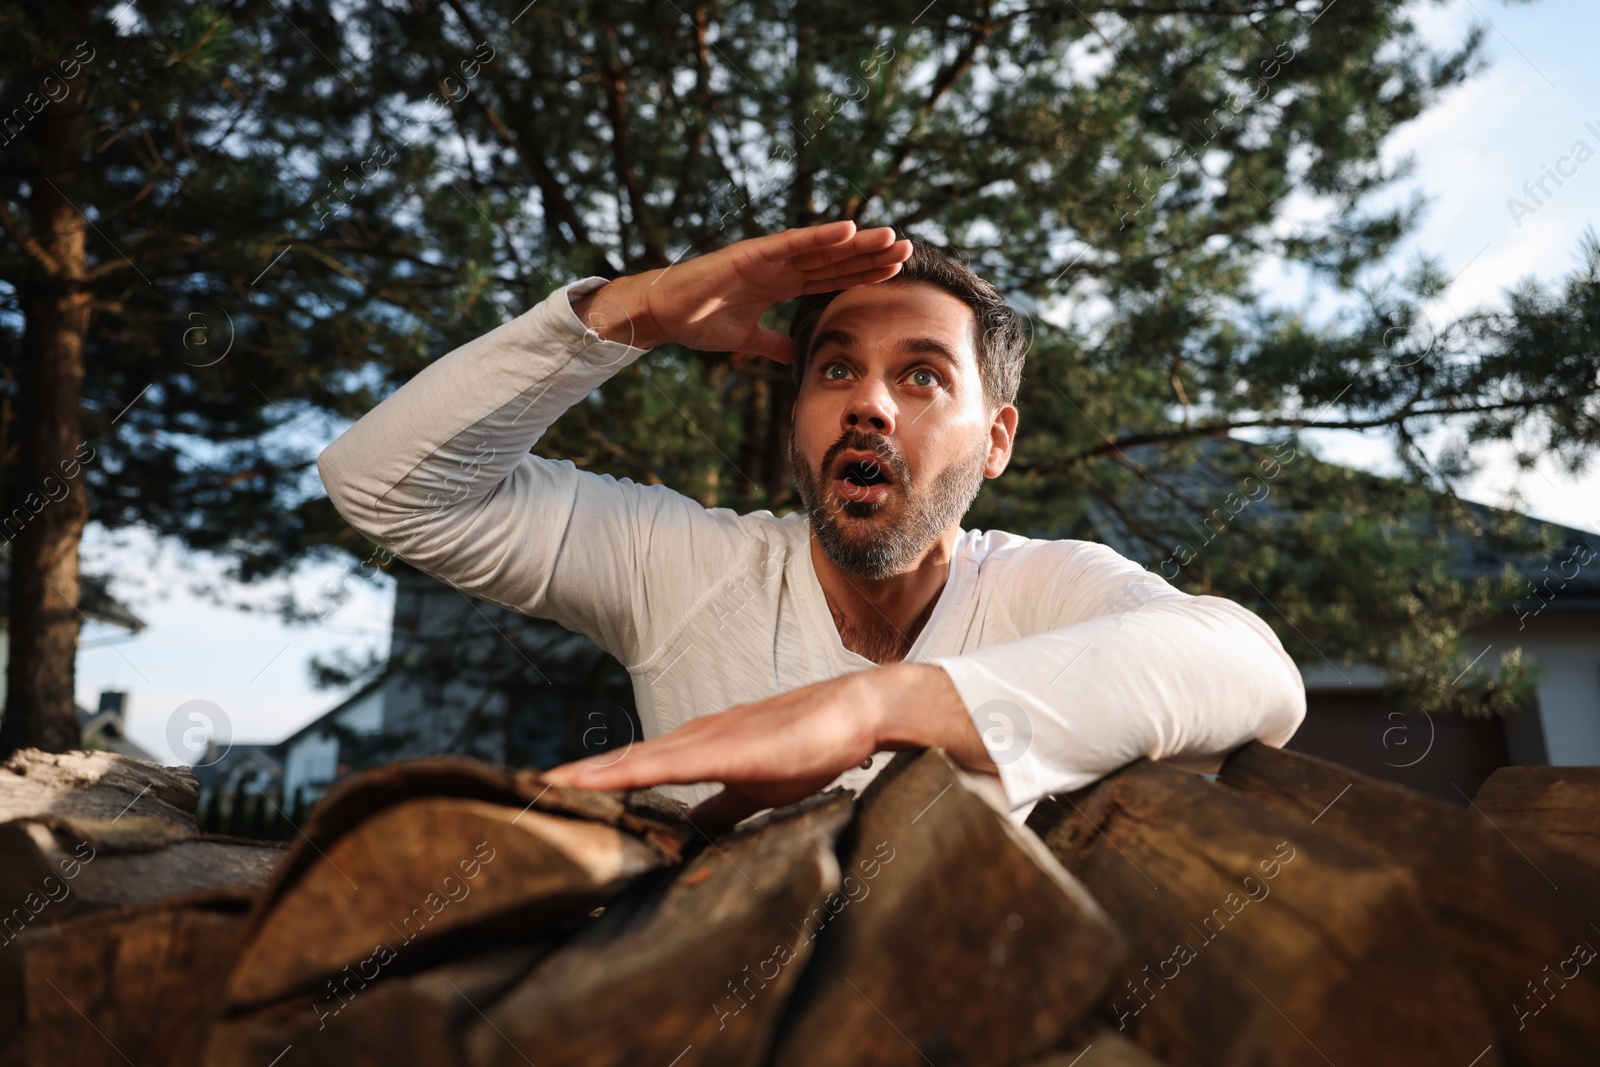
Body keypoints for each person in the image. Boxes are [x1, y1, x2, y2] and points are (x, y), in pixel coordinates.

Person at [316, 220, 1305, 830]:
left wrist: (873, 709)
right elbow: (386, 486)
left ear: (995, 439)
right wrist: (636, 313)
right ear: (799, 418)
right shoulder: (688, 569)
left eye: (921, 375)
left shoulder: (1043, 589)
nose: (868, 401)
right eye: (835, 368)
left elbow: (1254, 671)